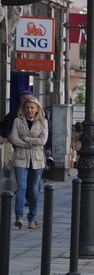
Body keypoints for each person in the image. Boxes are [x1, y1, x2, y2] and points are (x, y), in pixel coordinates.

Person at [8, 97, 49, 229]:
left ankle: (32, 218)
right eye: (27, 107)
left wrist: (26, 139)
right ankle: (19, 217)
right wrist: (30, 142)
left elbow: (43, 141)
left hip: (37, 160)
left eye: (32, 108)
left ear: (37, 109)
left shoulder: (43, 122)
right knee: (21, 188)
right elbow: (13, 138)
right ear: (23, 109)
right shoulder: (17, 121)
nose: (29, 110)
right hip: (20, 158)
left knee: (33, 189)